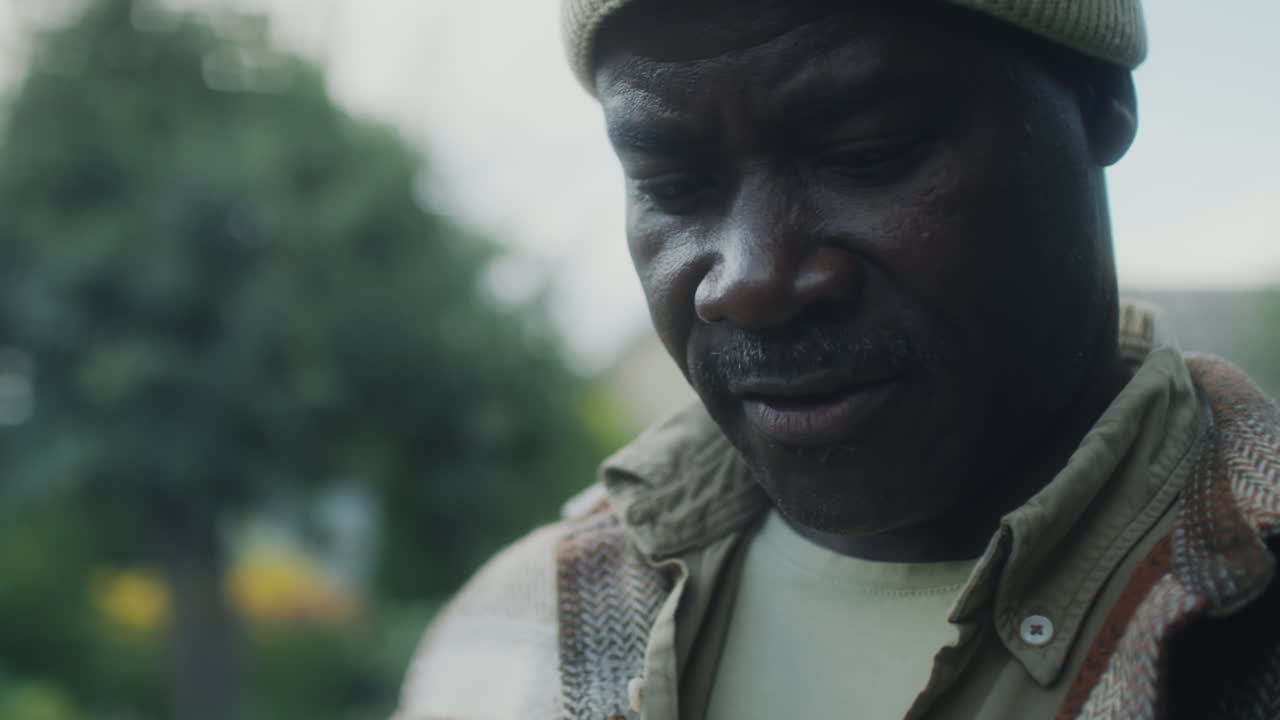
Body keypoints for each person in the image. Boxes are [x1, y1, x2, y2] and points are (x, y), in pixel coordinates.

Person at [393, 0, 1280, 717]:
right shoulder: (507, 633)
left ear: (1100, 101)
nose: (750, 280)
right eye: (672, 187)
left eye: (869, 154)